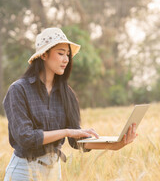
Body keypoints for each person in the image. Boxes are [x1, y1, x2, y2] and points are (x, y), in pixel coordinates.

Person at [3, 27, 137, 181]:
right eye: (60, 53)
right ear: (44, 55)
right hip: (23, 171)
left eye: (68, 55)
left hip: (53, 172)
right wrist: (66, 131)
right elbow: (25, 137)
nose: (66, 59)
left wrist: (115, 145)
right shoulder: (18, 90)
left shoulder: (67, 94)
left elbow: (76, 140)